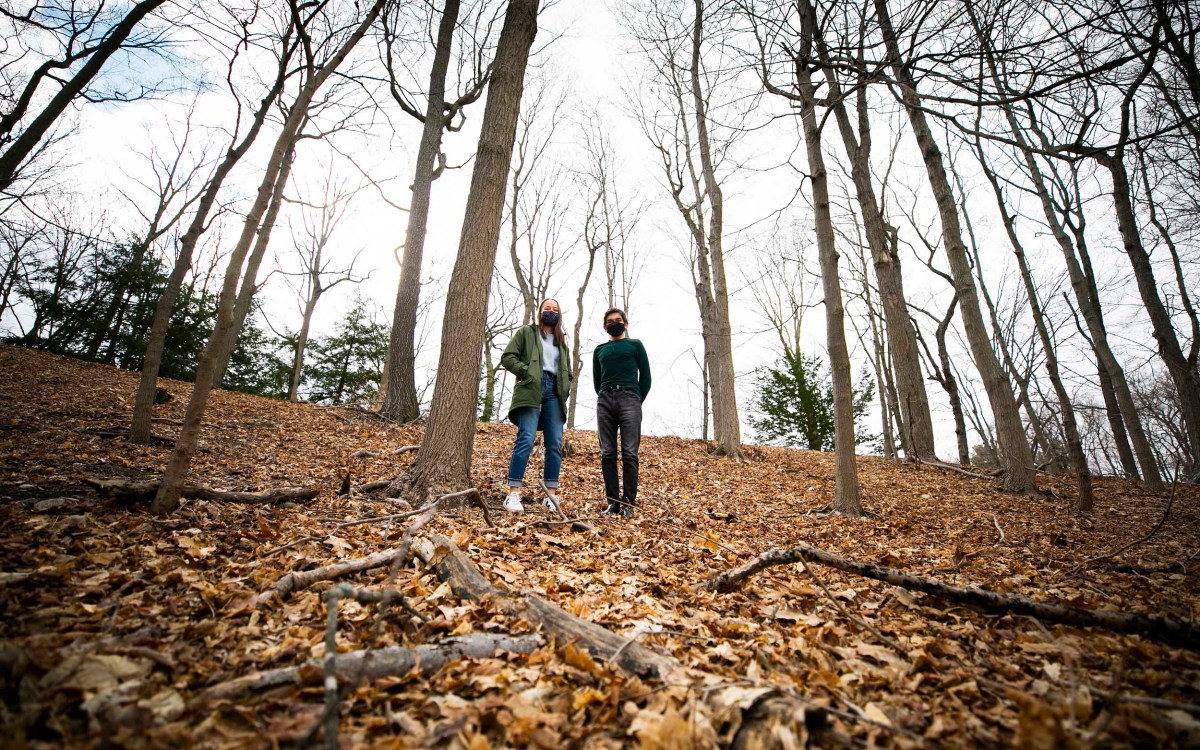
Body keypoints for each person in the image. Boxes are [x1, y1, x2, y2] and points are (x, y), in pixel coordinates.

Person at [499, 299, 573, 513]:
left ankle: (551, 495)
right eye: (547, 308)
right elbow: (508, 357)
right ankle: (513, 494)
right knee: (526, 438)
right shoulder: (526, 333)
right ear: (540, 312)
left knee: (554, 444)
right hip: (531, 388)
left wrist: (565, 386)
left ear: (559, 315)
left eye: (555, 309)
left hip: (554, 393)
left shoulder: (562, 342)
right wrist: (528, 372)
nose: (551, 312)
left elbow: (568, 371)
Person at [593, 307, 651, 518]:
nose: (614, 323)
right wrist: (604, 395)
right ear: (605, 326)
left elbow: (645, 377)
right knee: (607, 453)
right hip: (605, 400)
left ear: (626, 324)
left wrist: (635, 399)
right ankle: (613, 503)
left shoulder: (635, 345)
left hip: (630, 399)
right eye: (610, 321)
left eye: (618, 320)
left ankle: (628, 504)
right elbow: (596, 381)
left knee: (629, 453)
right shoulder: (600, 350)